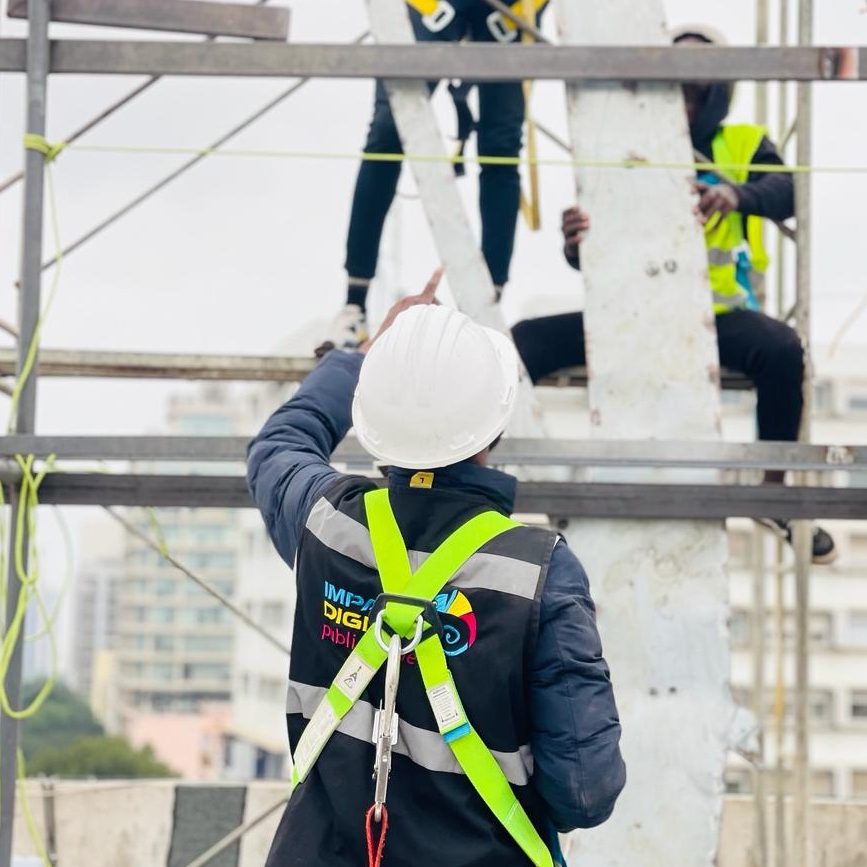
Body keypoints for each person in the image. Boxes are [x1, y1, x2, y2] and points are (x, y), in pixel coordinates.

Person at [248, 271, 625, 866]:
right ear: (494, 426)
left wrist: (367, 358)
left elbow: (279, 446)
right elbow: (585, 791)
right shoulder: (536, 574)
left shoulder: (327, 525)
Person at [511, 27, 836, 564]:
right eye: (673, 90)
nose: (682, 104)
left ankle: (772, 491)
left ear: (716, 96)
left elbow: (788, 193)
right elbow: (594, 251)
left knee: (781, 350)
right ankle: (493, 479)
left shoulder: (742, 143)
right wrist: (575, 242)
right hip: (628, 313)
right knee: (522, 344)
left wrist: (735, 194)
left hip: (713, 317)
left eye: (694, 92)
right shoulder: (621, 151)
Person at [332, 0, 548, 349]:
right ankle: (354, 301)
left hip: (511, 7)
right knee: (387, 133)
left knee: (501, 150)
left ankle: (488, 305)